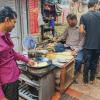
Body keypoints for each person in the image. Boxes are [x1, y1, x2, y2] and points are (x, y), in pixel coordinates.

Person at [0, 7, 35, 100]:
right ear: (7, 20)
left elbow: (13, 53)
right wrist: (1, 96)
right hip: (7, 83)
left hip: (13, 78)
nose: (15, 25)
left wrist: (27, 60)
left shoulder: (6, 36)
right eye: (14, 22)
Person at [55, 13, 84, 81]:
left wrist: (75, 50)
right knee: (57, 47)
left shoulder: (80, 28)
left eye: (69, 21)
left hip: (76, 48)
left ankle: (73, 73)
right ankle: (64, 63)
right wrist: (58, 39)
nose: (68, 23)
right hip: (67, 46)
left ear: (74, 20)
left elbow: (82, 42)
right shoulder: (68, 28)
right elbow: (63, 36)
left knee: (79, 60)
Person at [80, 0, 100, 84]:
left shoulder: (83, 16)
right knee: (94, 62)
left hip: (88, 45)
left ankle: (85, 80)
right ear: (95, 5)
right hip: (98, 45)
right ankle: (92, 79)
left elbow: (81, 30)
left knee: (87, 63)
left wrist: (87, 32)